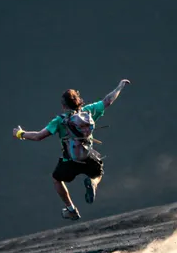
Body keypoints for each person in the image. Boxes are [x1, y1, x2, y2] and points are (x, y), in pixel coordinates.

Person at [13, 79, 131, 220]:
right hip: (88, 157)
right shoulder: (89, 111)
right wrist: (120, 87)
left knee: (56, 179)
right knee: (98, 173)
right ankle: (92, 183)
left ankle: (71, 209)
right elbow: (108, 101)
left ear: (63, 106)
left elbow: (39, 136)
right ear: (79, 101)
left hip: (70, 160)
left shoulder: (59, 121)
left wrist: (20, 134)